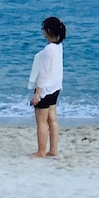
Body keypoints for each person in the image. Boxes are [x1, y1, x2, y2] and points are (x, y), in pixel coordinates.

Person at [27, 16, 65, 157]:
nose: (42, 31)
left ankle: (41, 151)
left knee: (41, 121)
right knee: (52, 119)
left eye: (43, 28)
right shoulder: (58, 46)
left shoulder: (49, 49)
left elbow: (43, 74)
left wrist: (37, 93)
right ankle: (53, 150)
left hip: (46, 89)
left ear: (48, 30)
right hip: (55, 87)